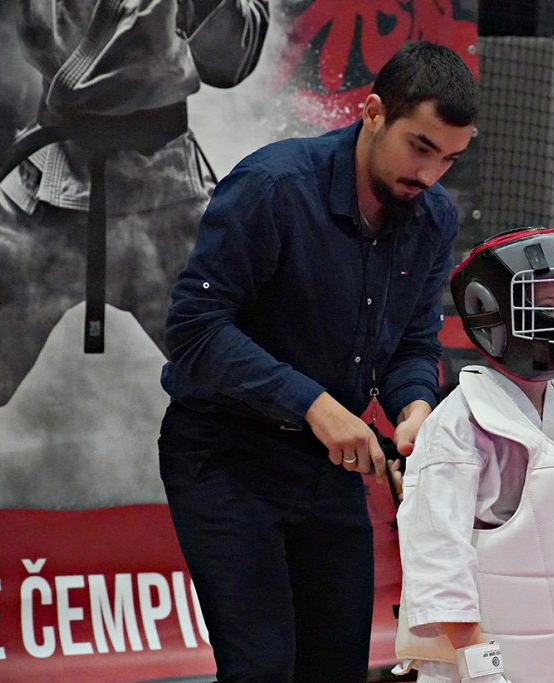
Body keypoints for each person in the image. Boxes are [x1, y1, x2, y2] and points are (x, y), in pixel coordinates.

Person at [157, 40, 478, 682]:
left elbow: (413, 342)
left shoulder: (433, 217)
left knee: (335, 667)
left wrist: (415, 410)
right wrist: (314, 403)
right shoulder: (273, 186)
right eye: (420, 146)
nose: (431, 174)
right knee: (262, 670)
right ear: (374, 111)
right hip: (225, 455)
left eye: (450, 157)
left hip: (328, 466)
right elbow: (194, 330)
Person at [0, 0, 269, 508]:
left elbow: (229, 62)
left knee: (259, 376)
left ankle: (257, 551)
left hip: (166, 189)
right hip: (46, 178)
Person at [394, 226, 554, 683]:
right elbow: (438, 555)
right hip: (466, 668)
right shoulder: (460, 424)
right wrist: (480, 665)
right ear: (490, 312)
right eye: (548, 308)